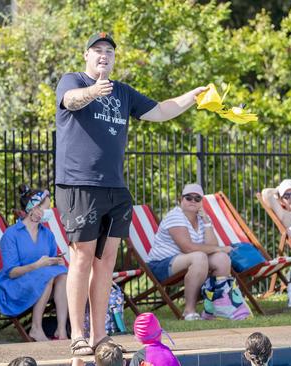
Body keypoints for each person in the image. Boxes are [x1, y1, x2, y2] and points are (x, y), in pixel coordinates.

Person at [55, 32, 208, 355]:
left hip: (116, 188)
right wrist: (93, 91)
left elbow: (161, 110)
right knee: (81, 257)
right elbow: (69, 101)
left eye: (108, 52)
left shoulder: (122, 92)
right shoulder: (72, 81)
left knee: (106, 261)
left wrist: (192, 97)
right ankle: (77, 335)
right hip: (80, 184)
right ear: (86, 56)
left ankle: (99, 336)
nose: (103, 56)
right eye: (97, 51)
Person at [0, 185, 68, 342]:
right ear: (34, 208)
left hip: (41, 281)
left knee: (62, 274)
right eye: (46, 208)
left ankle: (61, 330)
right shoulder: (11, 235)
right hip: (13, 286)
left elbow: (51, 263)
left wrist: (54, 261)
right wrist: (38, 265)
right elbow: (12, 273)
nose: (49, 212)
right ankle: (36, 328)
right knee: (48, 275)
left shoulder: (47, 234)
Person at [146, 183, 231, 320]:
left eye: (197, 198)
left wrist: (207, 221)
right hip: (161, 265)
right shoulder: (175, 216)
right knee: (199, 257)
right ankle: (189, 310)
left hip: (186, 261)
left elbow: (211, 245)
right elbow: (187, 247)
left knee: (221, 258)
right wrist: (218, 248)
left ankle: (215, 309)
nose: (193, 201)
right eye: (188, 197)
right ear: (181, 199)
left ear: (201, 202)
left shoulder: (200, 219)